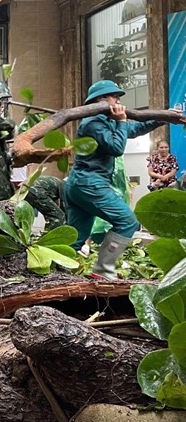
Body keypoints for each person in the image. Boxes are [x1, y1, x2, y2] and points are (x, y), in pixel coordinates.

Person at [64, 80, 186, 279]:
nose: (119, 101)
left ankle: (55, 272)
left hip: (81, 184)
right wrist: (121, 121)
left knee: (76, 239)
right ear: (101, 100)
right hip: (89, 183)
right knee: (127, 222)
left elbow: (136, 128)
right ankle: (103, 270)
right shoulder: (92, 123)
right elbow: (116, 147)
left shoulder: (107, 121)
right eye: (115, 97)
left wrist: (164, 117)